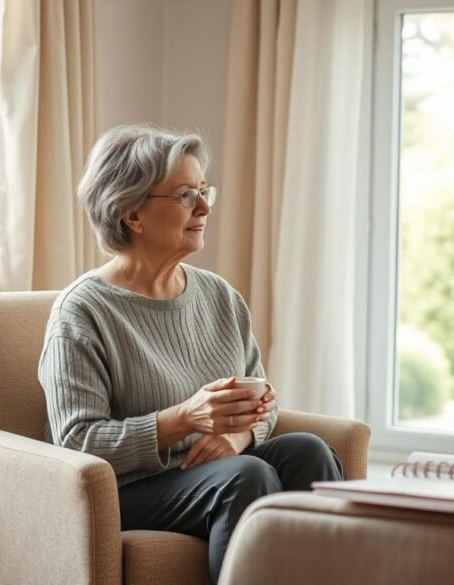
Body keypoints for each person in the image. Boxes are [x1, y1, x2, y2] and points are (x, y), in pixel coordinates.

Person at [38, 124, 343, 584]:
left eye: (204, 191)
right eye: (185, 195)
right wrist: (184, 418)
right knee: (245, 478)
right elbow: (77, 440)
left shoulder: (220, 296)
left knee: (309, 452)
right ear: (131, 214)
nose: (204, 208)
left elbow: (264, 401)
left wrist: (240, 437)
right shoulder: (81, 312)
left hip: (220, 466)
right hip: (126, 488)